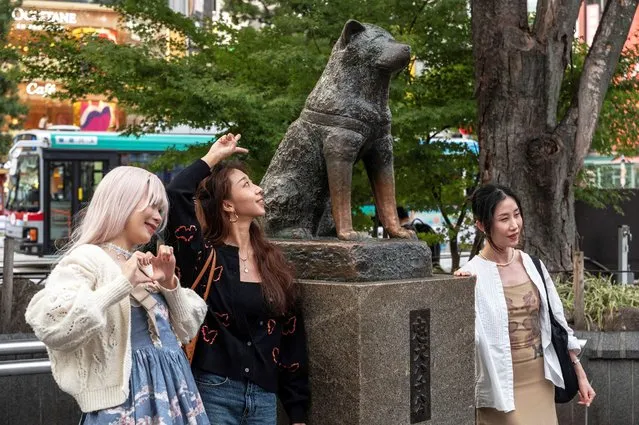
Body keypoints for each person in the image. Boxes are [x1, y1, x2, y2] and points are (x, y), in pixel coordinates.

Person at [25, 166, 210, 425]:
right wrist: (122, 283)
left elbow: (188, 328)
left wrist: (169, 283)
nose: (158, 217)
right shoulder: (87, 257)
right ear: (122, 201)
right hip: (126, 403)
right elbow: (52, 324)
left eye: (160, 210)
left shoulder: (143, 261)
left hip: (176, 395)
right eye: (152, 206)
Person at [165, 133, 310, 425]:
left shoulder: (274, 263)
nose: (259, 189)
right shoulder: (203, 257)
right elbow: (177, 192)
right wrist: (214, 157)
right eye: (247, 185)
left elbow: (292, 339)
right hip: (213, 390)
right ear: (228, 205)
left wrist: (297, 413)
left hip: (265, 397)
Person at [454, 184, 595, 424]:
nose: (514, 225)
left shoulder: (533, 265)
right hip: (500, 388)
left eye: (517, 214)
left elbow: (558, 325)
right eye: (504, 219)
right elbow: (463, 342)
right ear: (481, 225)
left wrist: (580, 375)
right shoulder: (469, 276)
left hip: (541, 379)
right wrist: (457, 294)